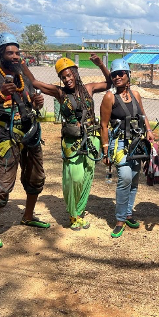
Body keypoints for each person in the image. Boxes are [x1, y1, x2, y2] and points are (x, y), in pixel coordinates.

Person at [0, 33, 50, 249]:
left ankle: (28, 216)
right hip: (6, 137)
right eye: (10, 53)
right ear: (0, 55)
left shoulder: (23, 77)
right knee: (3, 182)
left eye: (17, 52)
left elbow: (31, 104)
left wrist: (37, 102)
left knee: (36, 176)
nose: (15, 56)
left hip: (31, 132)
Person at [22, 54, 111, 230]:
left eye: (69, 75)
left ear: (76, 74)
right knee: (74, 177)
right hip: (73, 140)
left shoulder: (89, 88)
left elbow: (110, 83)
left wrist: (100, 64)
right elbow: (35, 82)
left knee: (87, 174)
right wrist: (23, 65)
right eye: (63, 77)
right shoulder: (60, 93)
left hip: (92, 137)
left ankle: (78, 212)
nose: (67, 79)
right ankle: (72, 213)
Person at [100, 59, 155, 238]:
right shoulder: (109, 97)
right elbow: (104, 125)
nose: (117, 77)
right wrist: (105, 149)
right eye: (113, 75)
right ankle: (120, 219)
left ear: (127, 75)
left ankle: (129, 213)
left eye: (120, 74)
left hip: (136, 143)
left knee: (134, 178)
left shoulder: (136, 94)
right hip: (119, 144)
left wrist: (148, 131)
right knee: (124, 177)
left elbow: (143, 114)